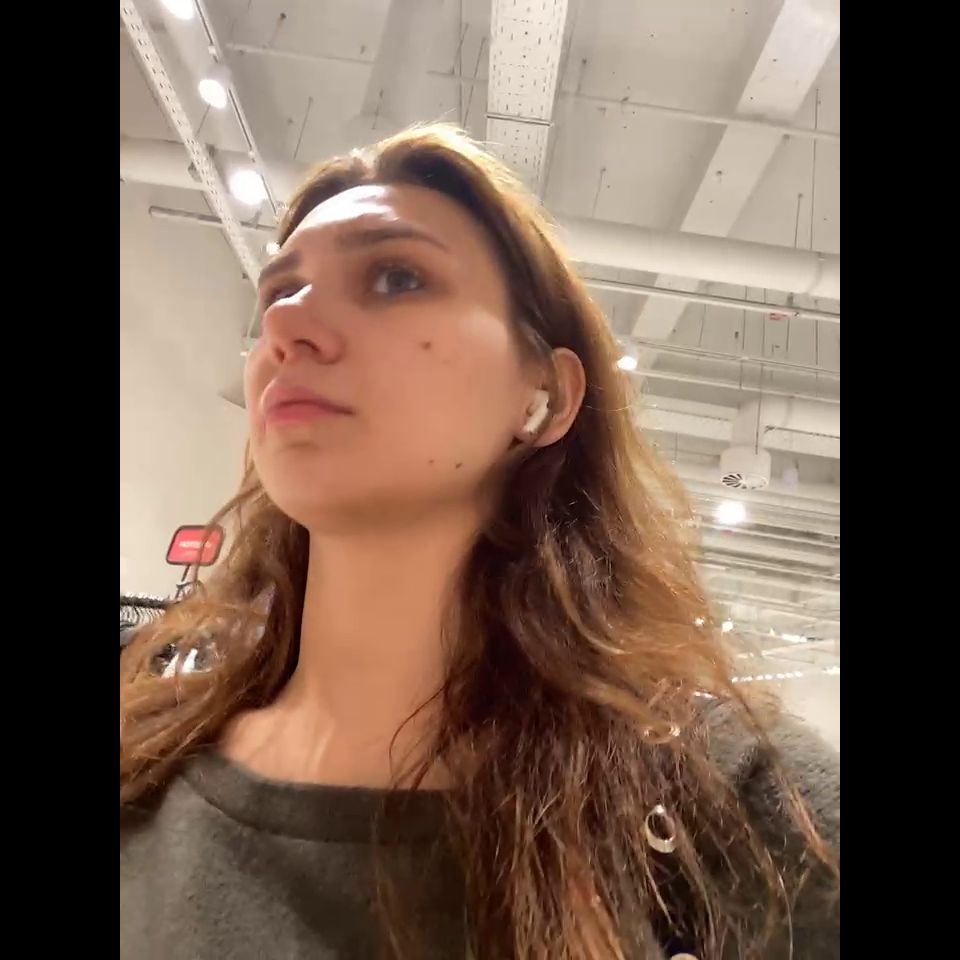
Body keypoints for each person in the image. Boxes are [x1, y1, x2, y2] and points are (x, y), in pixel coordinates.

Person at [120, 123, 839, 960]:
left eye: (396, 276)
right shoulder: (143, 754)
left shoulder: (742, 813)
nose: (288, 325)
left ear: (546, 395)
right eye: (278, 292)